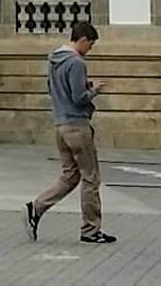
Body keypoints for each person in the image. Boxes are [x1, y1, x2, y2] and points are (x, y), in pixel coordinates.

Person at [24, 21, 115, 245]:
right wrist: (94, 90)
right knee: (91, 178)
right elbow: (78, 97)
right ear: (82, 40)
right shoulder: (76, 62)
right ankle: (91, 230)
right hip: (77, 125)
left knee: (70, 176)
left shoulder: (54, 60)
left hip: (60, 124)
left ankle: (36, 208)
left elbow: (56, 89)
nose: (90, 49)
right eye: (90, 44)